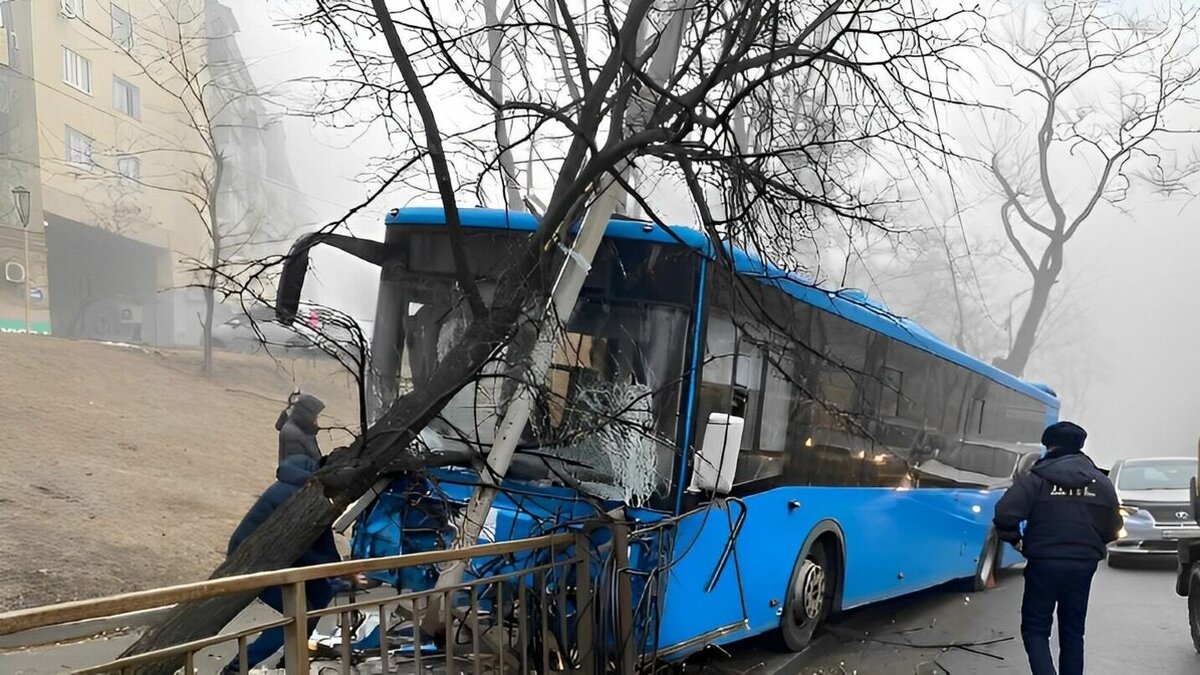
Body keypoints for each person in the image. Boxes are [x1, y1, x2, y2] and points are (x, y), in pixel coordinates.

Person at [993, 421, 1122, 675]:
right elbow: (1114, 526)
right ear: (1079, 446)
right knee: (1073, 633)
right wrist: (1091, 545)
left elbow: (1005, 514)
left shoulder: (1037, 479)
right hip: (1083, 565)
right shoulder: (1101, 482)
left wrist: (1016, 540)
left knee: (1036, 629)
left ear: (1049, 446)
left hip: (1043, 564)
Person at [221, 455, 341, 675]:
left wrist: (337, 570)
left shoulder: (309, 488)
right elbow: (306, 546)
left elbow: (319, 540)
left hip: (277, 559)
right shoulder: (302, 497)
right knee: (298, 615)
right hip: (253, 564)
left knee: (323, 592)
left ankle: (292, 658)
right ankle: (237, 668)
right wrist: (339, 570)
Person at [276, 393, 325, 466]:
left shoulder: (296, 426)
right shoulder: (297, 435)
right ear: (307, 415)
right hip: (298, 475)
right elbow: (314, 460)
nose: (316, 419)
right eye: (315, 415)